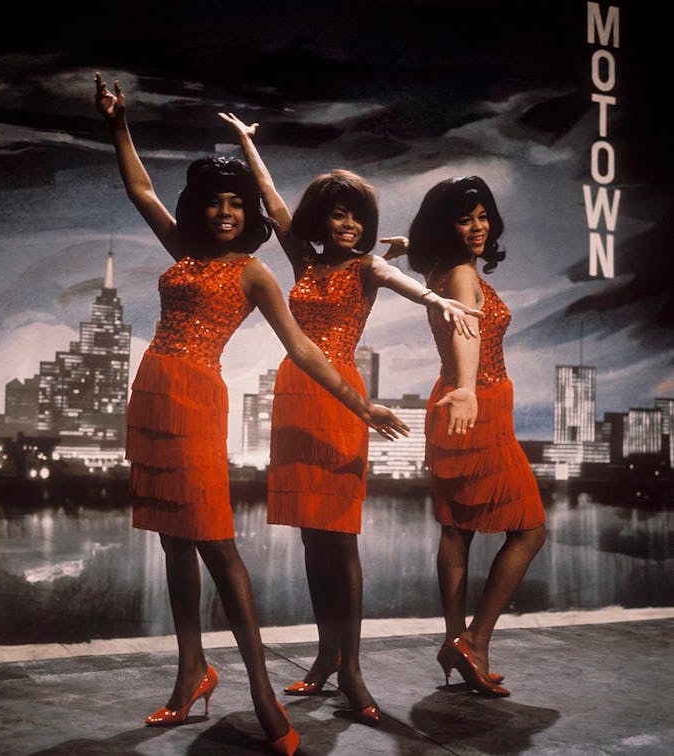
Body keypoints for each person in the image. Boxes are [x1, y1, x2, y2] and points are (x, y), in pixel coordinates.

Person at [94, 73, 409, 755]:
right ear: (202, 208)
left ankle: (263, 693)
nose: (228, 212)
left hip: (197, 400)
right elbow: (141, 191)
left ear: (250, 215)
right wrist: (119, 124)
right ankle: (190, 676)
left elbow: (306, 349)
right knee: (172, 541)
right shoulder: (184, 250)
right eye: (217, 202)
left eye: (239, 203)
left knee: (218, 545)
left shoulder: (255, 273)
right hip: (150, 390)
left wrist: (363, 402)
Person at [220, 112, 483, 723]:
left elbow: (401, 280)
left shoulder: (368, 267)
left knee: (342, 540)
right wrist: (247, 146)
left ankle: (354, 671)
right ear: (323, 218)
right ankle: (325, 657)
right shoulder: (303, 262)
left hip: (343, 400)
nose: (348, 224)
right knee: (314, 539)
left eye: (356, 215)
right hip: (296, 396)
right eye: (337, 214)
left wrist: (439, 296)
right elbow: (274, 202)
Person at [404, 175, 547, 697]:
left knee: (456, 528)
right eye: (465, 218)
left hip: (455, 403)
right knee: (530, 531)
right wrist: (468, 389)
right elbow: (469, 332)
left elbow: (425, 269)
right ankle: (476, 641)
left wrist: (407, 250)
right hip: (474, 403)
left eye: (483, 215)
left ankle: (454, 642)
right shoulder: (461, 273)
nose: (479, 226)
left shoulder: (438, 269)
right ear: (447, 226)